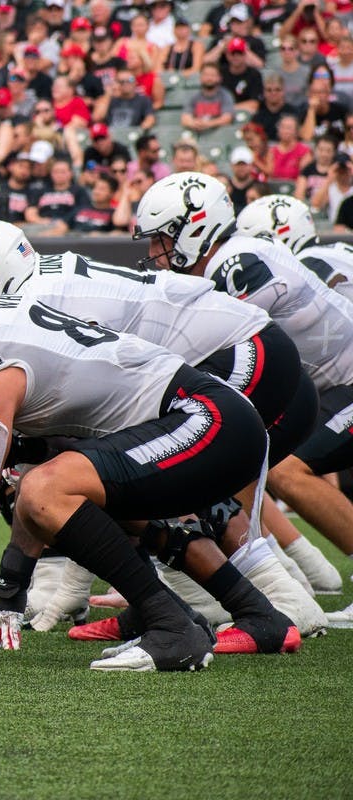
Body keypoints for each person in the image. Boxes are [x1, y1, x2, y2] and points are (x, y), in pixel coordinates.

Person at [0, 247, 270, 671]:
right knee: (49, 488)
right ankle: (252, 613)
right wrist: (13, 582)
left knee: (44, 489)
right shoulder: (3, 316)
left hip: (204, 417)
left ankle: (170, 625)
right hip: (210, 418)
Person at [139, 174, 353, 617]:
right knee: (237, 457)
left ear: (194, 228)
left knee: (290, 472)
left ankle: (270, 579)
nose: (154, 252)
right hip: (324, 388)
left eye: (162, 238)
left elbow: (215, 344)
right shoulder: (235, 256)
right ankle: (271, 576)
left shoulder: (236, 263)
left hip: (341, 382)